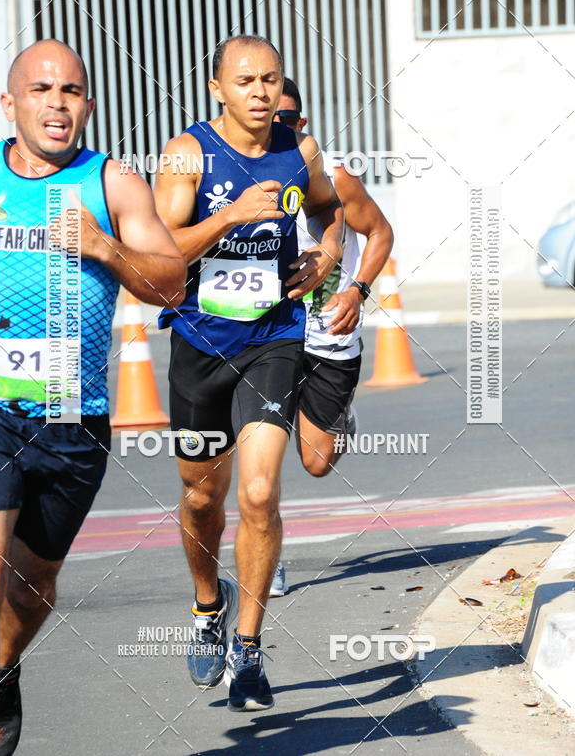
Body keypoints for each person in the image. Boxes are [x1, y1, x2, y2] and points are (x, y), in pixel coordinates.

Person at [0, 39, 186, 756]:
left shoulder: (115, 182)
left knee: (30, 589)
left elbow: (170, 285)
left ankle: (1, 669)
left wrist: (104, 248)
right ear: (10, 104)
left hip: (74, 417)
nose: (56, 103)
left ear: (88, 105)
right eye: (40, 90)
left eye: (70, 91)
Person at [154, 35, 343, 711]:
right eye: (245, 80)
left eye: (270, 78)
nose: (260, 92)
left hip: (275, 336)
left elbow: (330, 209)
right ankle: (209, 604)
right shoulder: (187, 153)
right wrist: (229, 216)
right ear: (217, 89)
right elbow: (158, 245)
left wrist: (327, 256)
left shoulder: (300, 148)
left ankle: (250, 649)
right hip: (200, 343)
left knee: (259, 493)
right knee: (203, 499)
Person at [269, 77, 393, 597]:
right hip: (267, 333)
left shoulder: (334, 178)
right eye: (268, 116)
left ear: (303, 124)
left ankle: (343, 417)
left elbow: (380, 232)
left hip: (329, 332)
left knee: (316, 462)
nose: (277, 125)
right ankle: (266, 555)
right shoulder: (230, 176)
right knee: (263, 447)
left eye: (288, 118)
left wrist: (358, 292)